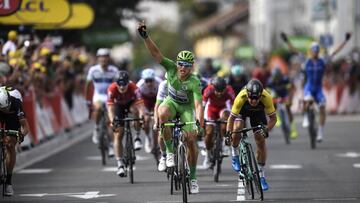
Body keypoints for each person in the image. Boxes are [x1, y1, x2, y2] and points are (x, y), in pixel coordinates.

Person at [138, 20, 204, 194]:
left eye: (187, 65)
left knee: (191, 140)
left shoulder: (194, 81)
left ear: (192, 67)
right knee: (162, 112)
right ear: (177, 64)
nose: (183, 68)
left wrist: (199, 123)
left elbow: (198, 104)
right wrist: (145, 36)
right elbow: (156, 54)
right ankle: (168, 153)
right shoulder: (171, 68)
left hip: (187, 109)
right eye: (181, 64)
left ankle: (193, 177)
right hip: (172, 104)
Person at [281, 32, 351, 142]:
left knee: (322, 107)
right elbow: (294, 50)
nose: (315, 52)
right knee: (307, 99)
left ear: (319, 51)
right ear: (311, 51)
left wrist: (345, 40)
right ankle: (305, 117)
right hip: (309, 86)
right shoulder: (306, 59)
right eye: (314, 50)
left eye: (317, 50)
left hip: (318, 88)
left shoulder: (323, 60)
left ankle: (320, 133)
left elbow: (335, 52)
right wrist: (286, 40)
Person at [226, 79, 276, 191]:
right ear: (247, 94)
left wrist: (267, 129)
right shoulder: (241, 97)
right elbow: (231, 118)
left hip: (257, 113)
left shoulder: (266, 97)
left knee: (261, 140)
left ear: (260, 95)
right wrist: (228, 134)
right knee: (237, 127)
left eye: (256, 98)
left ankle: (261, 175)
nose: (253, 101)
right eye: (251, 98)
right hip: (242, 111)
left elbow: (273, 118)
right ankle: (234, 153)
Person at [107, 71, 147, 177]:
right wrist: (112, 121)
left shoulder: (134, 87)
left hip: (131, 104)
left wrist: (141, 117)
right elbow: (110, 108)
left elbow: (140, 106)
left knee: (135, 111)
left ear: (128, 82)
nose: (121, 86)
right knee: (118, 134)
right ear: (116, 83)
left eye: (124, 84)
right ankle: (120, 164)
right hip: (118, 106)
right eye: (119, 84)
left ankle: (137, 137)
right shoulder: (112, 89)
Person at [85, 48, 119, 156]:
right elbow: (88, 85)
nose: (103, 59)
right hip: (98, 95)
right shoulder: (93, 70)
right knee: (98, 108)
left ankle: (111, 146)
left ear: (108, 58)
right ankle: (96, 128)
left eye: (105, 57)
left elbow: (118, 86)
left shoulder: (114, 70)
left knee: (110, 122)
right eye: (101, 57)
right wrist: (88, 99)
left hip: (109, 96)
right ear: (98, 58)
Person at [0, 86, 29, 196]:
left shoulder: (16, 103)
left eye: (7, 108)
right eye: (4, 109)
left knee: (10, 144)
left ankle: (8, 181)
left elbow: (25, 128)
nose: (6, 110)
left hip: (13, 118)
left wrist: (20, 135)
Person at [203, 77, 235, 168]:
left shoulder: (229, 90)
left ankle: (225, 143)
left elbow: (234, 106)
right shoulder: (209, 89)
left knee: (225, 123)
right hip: (211, 109)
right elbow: (202, 105)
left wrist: (234, 119)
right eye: (217, 91)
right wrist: (201, 119)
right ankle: (208, 156)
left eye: (222, 91)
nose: (220, 93)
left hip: (223, 108)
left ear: (225, 88)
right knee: (209, 133)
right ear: (213, 88)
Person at [136, 68, 162, 153]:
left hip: (156, 100)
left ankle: (156, 143)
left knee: (156, 120)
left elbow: (163, 98)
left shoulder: (159, 83)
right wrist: (143, 112)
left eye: (151, 80)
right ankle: (148, 137)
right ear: (143, 80)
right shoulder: (139, 85)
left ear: (154, 79)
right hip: (145, 101)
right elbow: (138, 101)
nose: (149, 83)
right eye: (147, 81)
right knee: (146, 120)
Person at [267, 67, 297, 138]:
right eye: (275, 78)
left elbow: (291, 90)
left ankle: (293, 130)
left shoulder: (285, 79)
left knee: (288, 108)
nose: (277, 80)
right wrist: (272, 98)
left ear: (281, 76)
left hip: (285, 95)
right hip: (276, 95)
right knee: (273, 102)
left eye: (278, 78)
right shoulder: (270, 81)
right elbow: (267, 92)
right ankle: (276, 116)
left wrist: (290, 99)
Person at [153, 74, 169, 172]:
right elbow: (157, 106)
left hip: (180, 109)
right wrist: (156, 122)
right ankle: (163, 156)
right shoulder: (163, 85)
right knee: (161, 133)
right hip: (166, 109)